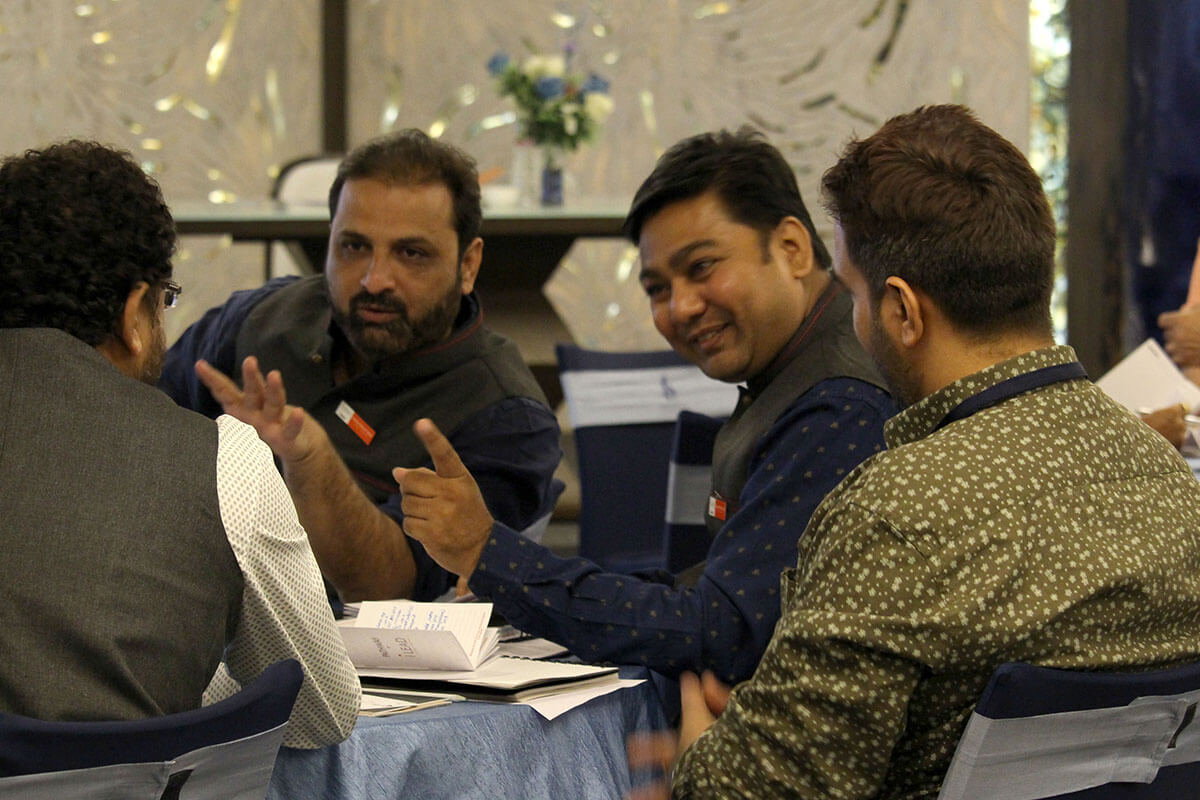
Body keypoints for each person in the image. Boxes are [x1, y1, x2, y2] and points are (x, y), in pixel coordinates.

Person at [636, 104, 1200, 798]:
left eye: (852, 294)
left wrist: (698, 753)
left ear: (902, 311)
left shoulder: (896, 510)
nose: (853, 318)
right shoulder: (1171, 480)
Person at [393, 128, 896, 684]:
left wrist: (490, 554)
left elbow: (721, 634)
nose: (681, 307)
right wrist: (511, 578)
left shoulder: (838, 406)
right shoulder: (794, 371)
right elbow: (713, 595)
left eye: (702, 267)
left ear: (792, 249)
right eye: (657, 288)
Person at [0, 140, 359, 748]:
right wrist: (188, 670)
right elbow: (319, 712)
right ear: (133, 315)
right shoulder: (225, 463)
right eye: (164, 300)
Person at [159, 129, 562, 603]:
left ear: (468, 265)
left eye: (411, 253)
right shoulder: (261, 320)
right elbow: (137, 425)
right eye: (353, 247)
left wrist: (311, 461)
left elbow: (390, 589)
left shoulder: (504, 415)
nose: (375, 280)